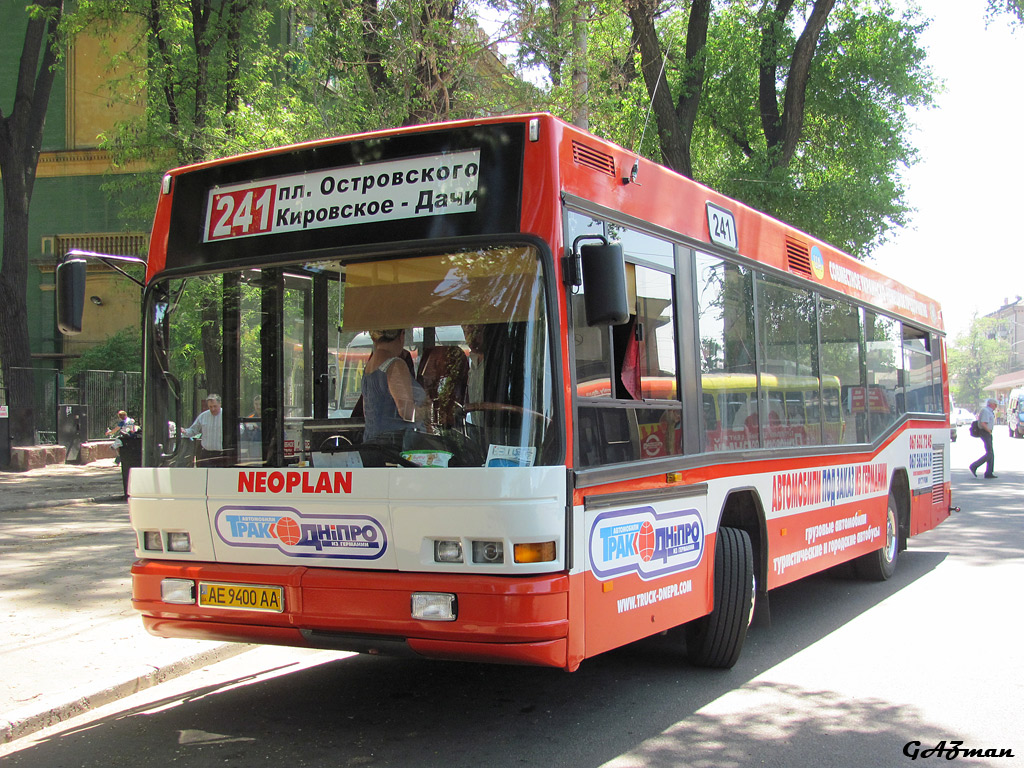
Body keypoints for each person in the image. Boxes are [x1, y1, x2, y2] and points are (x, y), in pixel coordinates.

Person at [361, 329, 424, 442]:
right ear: (401, 335)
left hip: (371, 442)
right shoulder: (395, 365)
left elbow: (366, 411)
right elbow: (407, 412)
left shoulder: (369, 366)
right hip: (394, 446)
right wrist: (431, 413)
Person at [181, 394, 229, 466]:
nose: (213, 409)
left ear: (220, 404)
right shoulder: (203, 416)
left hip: (222, 455)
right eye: (210, 407)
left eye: (215, 406)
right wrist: (184, 431)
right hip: (206, 455)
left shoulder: (227, 415)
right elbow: (193, 430)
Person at [969, 398, 998, 479]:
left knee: (991, 453)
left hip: (987, 432)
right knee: (989, 453)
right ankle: (974, 466)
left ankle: (989, 472)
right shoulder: (986, 411)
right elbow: (983, 423)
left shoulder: (989, 411)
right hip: (984, 432)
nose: (996, 406)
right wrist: (989, 431)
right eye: (995, 404)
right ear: (991, 404)